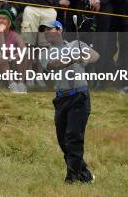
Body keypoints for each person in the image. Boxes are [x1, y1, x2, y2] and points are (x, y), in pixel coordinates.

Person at [39, 20, 99, 184]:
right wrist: (73, 59)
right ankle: (85, 175)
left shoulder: (76, 44)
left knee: (73, 137)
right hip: (61, 99)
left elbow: (95, 55)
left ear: (59, 30)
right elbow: (54, 65)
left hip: (79, 97)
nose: (45, 32)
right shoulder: (45, 53)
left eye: (49, 29)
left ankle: (71, 179)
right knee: (63, 141)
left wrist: (83, 55)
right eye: (44, 30)